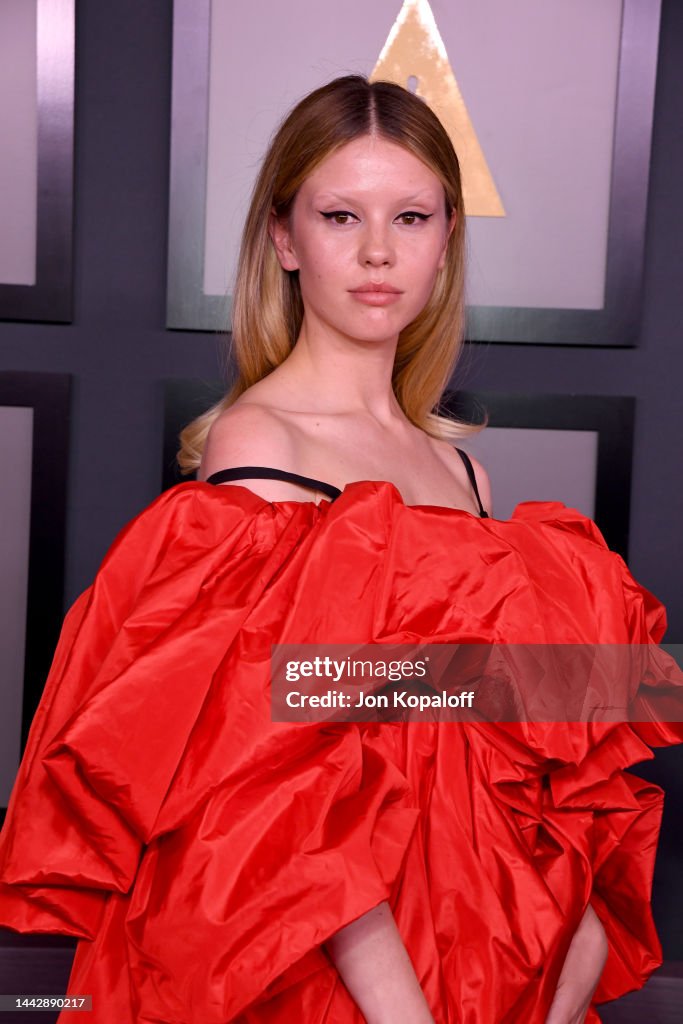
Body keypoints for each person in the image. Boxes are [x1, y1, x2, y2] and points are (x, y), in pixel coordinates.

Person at [0, 75, 681, 1024]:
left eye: (410, 216)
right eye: (338, 215)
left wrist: (566, 968)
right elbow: (273, 780)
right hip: (340, 974)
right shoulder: (261, 449)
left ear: (447, 239)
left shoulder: (462, 473)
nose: (377, 252)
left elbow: (543, 734)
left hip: (494, 955)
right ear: (284, 239)